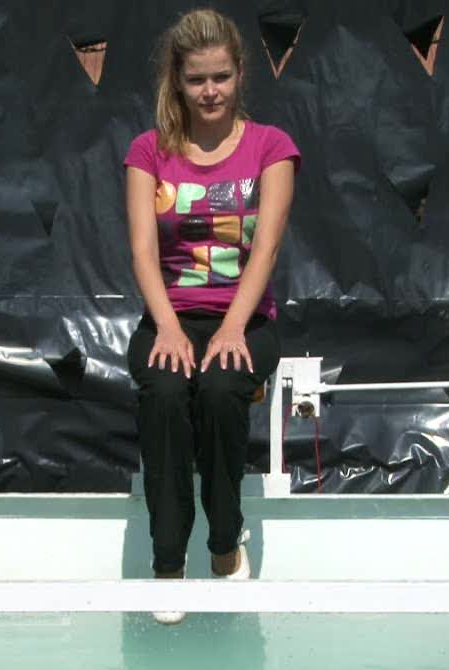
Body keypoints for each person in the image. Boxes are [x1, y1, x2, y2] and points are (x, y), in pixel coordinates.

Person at [123, 8, 299, 623]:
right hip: (168, 318)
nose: (210, 91)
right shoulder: (148, 151)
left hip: (244, 319)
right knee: (167, 394)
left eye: (220, 77)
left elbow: (266, 249)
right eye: (196, 79)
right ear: (177, 80)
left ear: (239, 73)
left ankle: (225, 542)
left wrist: (231, 328)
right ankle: (168, 564)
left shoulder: (271, 147)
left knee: (223, 387)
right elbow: (143, 251)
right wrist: (169, 327)